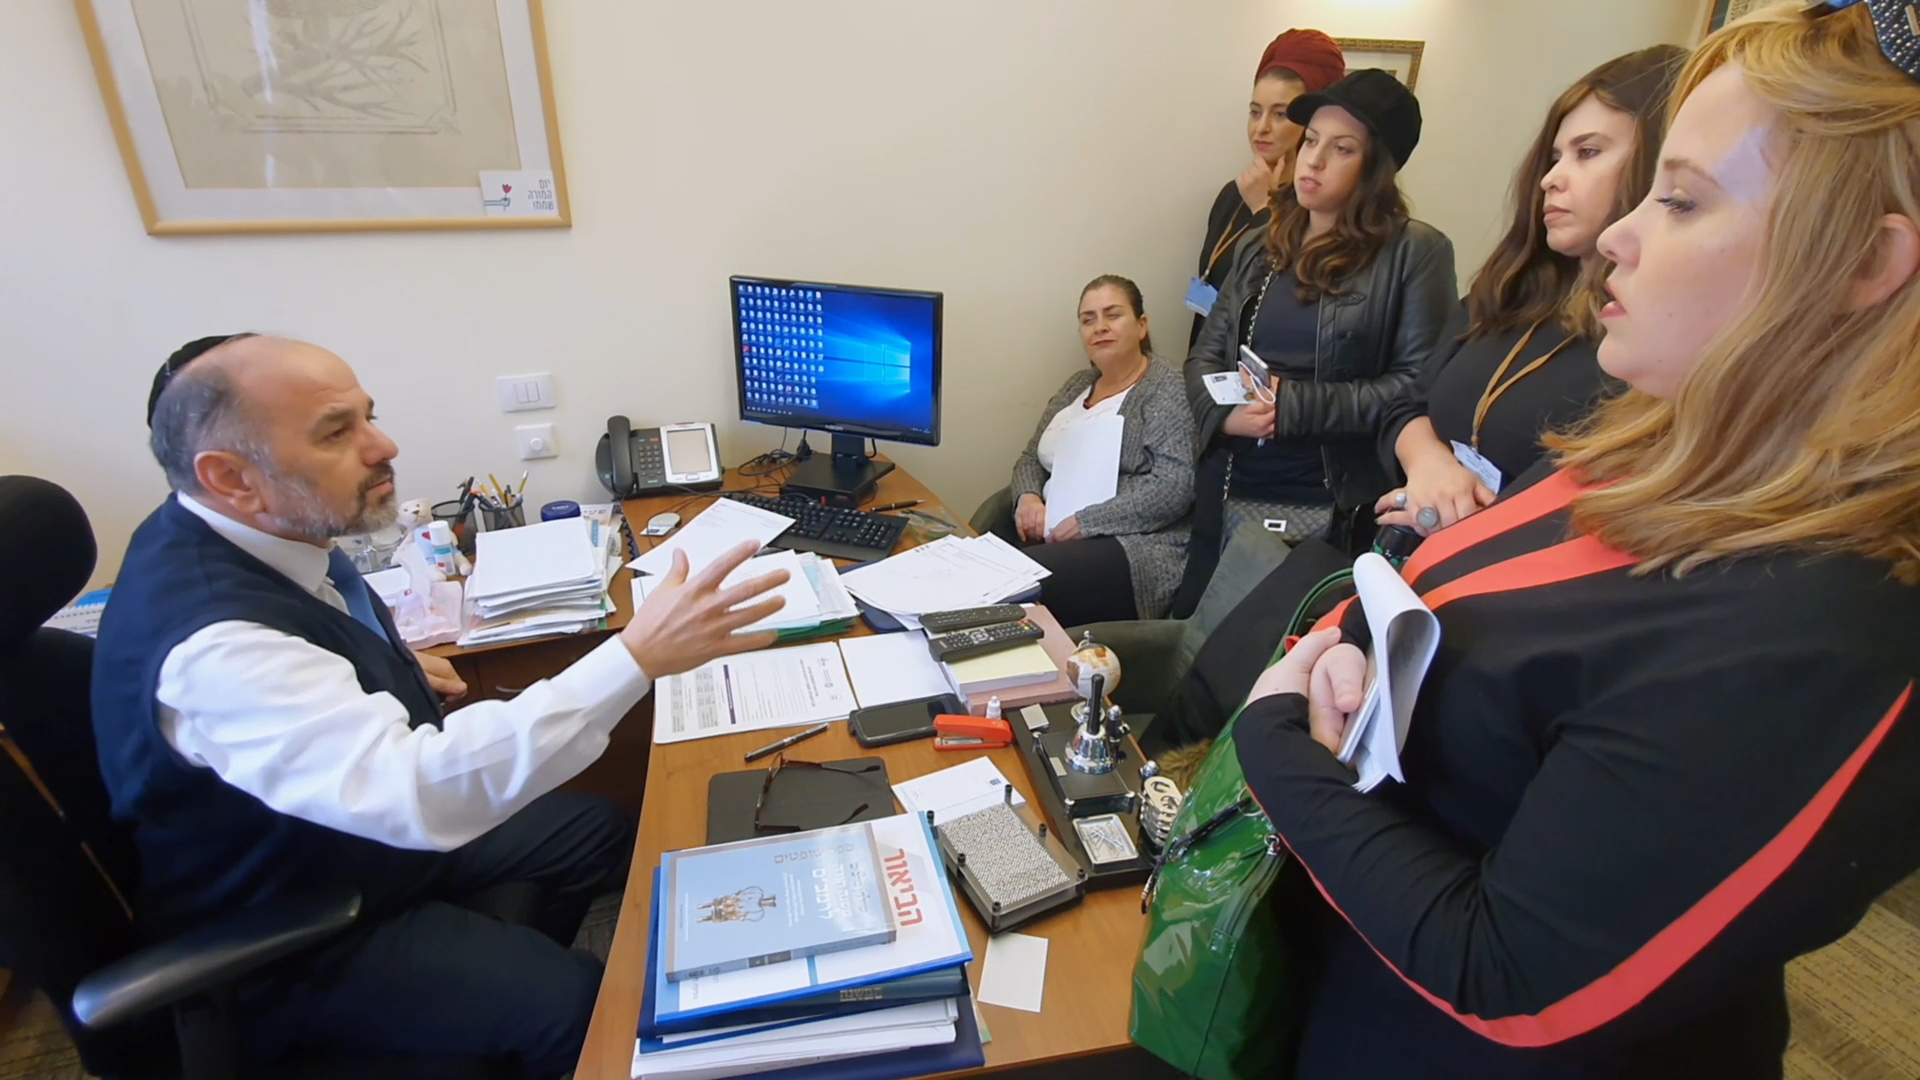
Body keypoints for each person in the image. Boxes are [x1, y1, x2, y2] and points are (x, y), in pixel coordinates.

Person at [1237, 6, 1920, 1075]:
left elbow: (1514, 977)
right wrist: (1349, 644)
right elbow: (1452, 591)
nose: (1615, 235)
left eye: (1682, 198)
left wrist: (1275, 739)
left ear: (1860, 266)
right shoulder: (1655, 445)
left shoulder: (1830, 621)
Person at [93, 335, 789, 1077]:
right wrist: (636, 656)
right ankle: (511, 1024)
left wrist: (384, 665)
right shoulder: (218, 649)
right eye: (337, 431)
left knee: (599, 830)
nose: (382, 445)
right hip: (301, 926)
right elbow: (418, 794)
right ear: (231, 476)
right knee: (584, 1008)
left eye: (369, 417)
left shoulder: (240, 528)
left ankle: (485, 1007)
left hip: (349, 848)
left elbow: (312, 650)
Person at [1175, 69, 1457, 616]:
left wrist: (1294, 407)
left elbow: (1416, 387)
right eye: (1310, 142)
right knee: (1199, 646)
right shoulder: (1262, 243)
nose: (1313, 160)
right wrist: (1224, 413)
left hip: (1330, 498)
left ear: (1376, 168)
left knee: (1285, 656)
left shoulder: (1414, 253)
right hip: (1232, 482)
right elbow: (1204, 357)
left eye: (1341, 148)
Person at [1375, 45, 1685, 535]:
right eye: (1556, 156)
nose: (1550, 179)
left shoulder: (1660, 344)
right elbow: (1406, 403)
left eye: (1588, 153)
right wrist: (1429, 466)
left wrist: (1468, 523)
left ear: (1661, 166)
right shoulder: (1511, 287)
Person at [1005, 275, 1195, 624]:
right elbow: (1031, 457)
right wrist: (1028, 497)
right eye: (1088, 319)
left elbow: (1175, 488)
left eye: (1112, 315)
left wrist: (1086, 523)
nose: (1100, 327)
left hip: (1133, 545)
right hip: (1055, 532)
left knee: (1016, 585)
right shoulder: (1076, 385)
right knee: (973, 565)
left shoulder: (1167, 387)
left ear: (1141, 325)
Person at [1187, 29, 1346, 349]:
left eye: (1280, 114)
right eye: (1255, 111)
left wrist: (1264, 212)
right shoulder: (1234, 194)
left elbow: (1296, 306)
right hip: (1212, 377)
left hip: (1272, 385)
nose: (1261, 128)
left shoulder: (1326, 208)